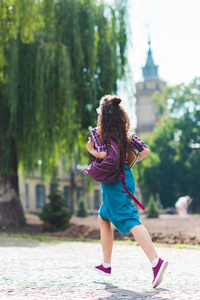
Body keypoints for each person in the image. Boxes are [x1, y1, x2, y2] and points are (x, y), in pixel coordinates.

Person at [86, 95, 168, 288]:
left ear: (103, 115)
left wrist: (92, 151)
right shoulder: (127, 134)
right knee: (103, 217)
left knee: (129, 218)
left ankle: (156, 262)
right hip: (126, 177)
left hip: (112, 181)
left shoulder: (98, 133)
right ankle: (106, 264)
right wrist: (127, 163)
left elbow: (103, 155)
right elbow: (145, 151)